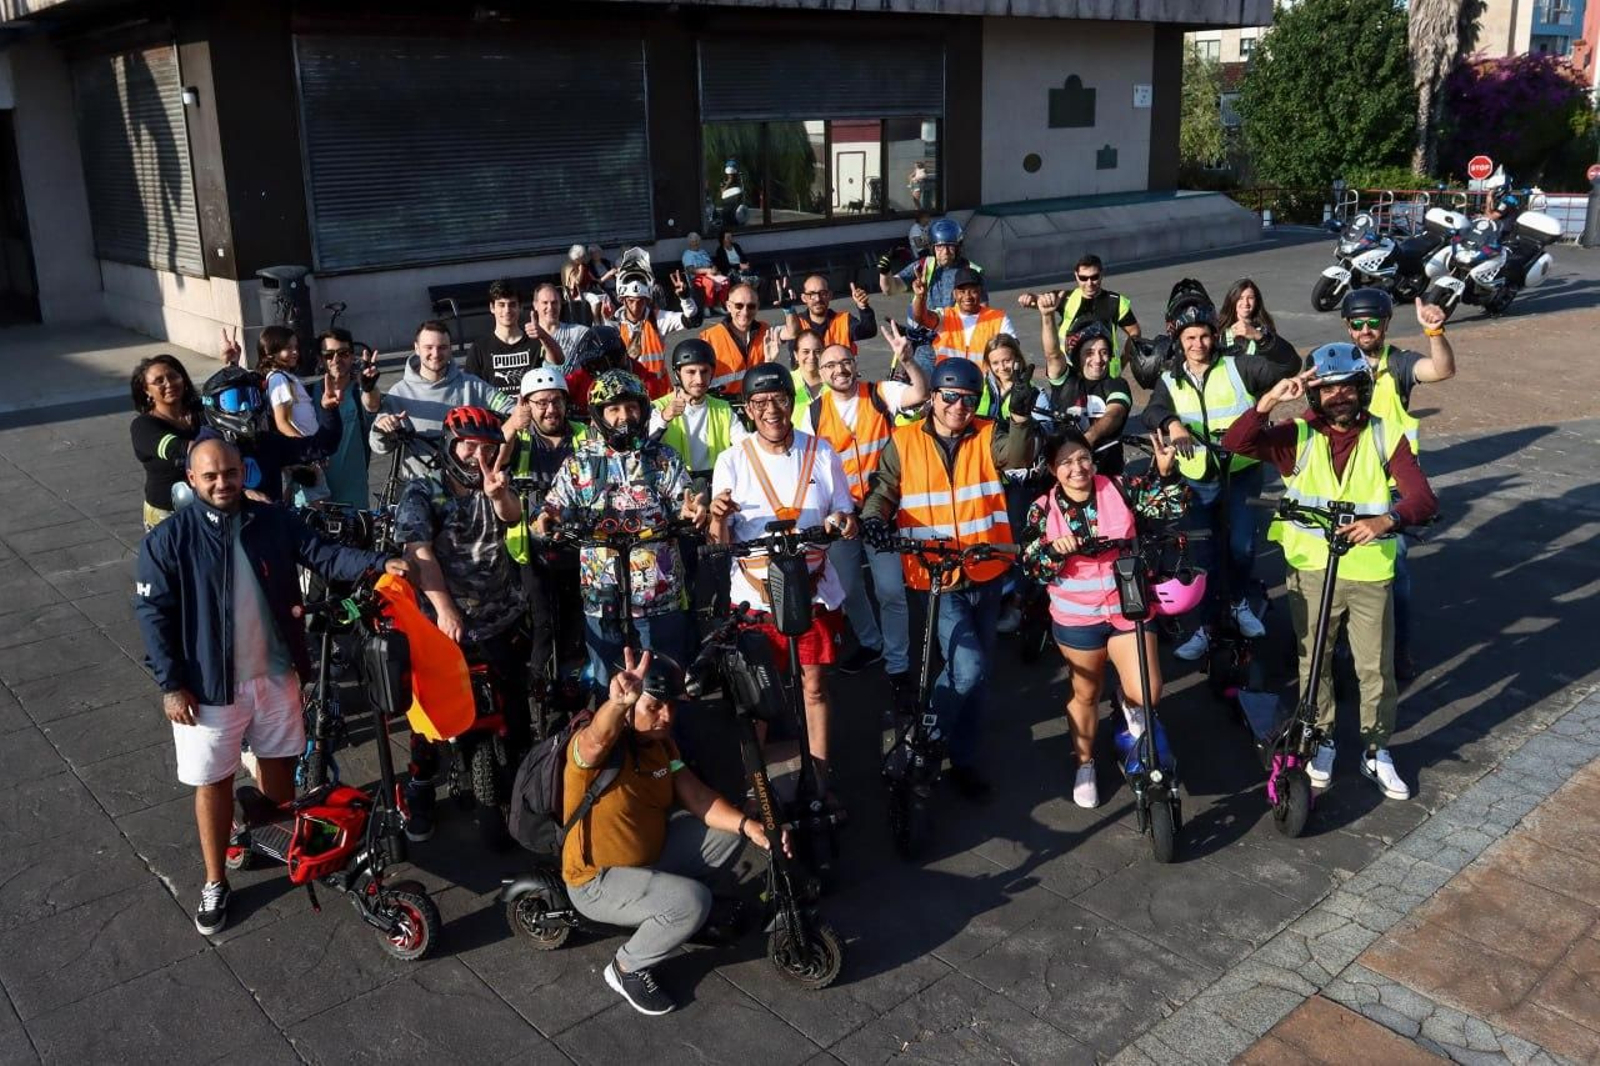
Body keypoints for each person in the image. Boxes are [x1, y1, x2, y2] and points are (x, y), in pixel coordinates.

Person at [134, 438, 405, 935]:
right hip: (207, 689)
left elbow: (322, 554)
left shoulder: (274, 521)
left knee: (279, 774)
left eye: (230, 473)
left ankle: (266, 839)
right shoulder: (168, 540)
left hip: (276, 675)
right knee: (213, 782)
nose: (222, 483)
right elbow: (153, 616)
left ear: (244, 473)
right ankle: (216, 881)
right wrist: (171, 685)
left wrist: (377, 564)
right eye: (211, 476)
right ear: (192, 480)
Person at [1222, 346, 1438, 801]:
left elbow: (1423, 499)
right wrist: (1267, 403)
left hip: (1368, 571)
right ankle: (1320, 741)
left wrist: (1386, 521)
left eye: (1347, 387)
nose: (1339, 396)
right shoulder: (1297, 433)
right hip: (1310, 570)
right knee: (1313, 662)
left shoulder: (1386, 434)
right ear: (1314, 394)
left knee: (1374, 667)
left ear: (1361, 389)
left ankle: (1376, 749)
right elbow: (1235, 444)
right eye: (1327, 388)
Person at [563, 647, 779, 1016]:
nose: (666, 716)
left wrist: (751, 826)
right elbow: (595, 740)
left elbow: (696, 796)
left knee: (730, 833)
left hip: (649, 857)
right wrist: (617, 704)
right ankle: (626, 967)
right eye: (653, 707)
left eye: (671, 706)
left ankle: (671, 908)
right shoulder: (594, 750)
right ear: (630, 709)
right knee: (692, 902)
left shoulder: (662, 744)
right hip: (595, 882)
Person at [860, 357, 1040, 799]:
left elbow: (1017, 454)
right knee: (968, 666)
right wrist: (874, 519)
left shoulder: (987, 433)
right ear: (934, 397)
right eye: (951, 396)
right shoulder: (903, 441)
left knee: (977, 677)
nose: (960, 406)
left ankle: (963, 759)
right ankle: (931, 734)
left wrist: (1018, 417)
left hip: (988, 569)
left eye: (969, 399)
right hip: (935, 575)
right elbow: (882, 490)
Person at [709, 363, 857, 792]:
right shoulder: (733, 459)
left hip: (812, 593)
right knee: (756, 698)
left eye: (779, 400)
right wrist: (718, 518)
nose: (771, 410)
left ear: (792, 403)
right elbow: (719, 545)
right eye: (760, 403)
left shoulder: (822, 452)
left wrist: (843, 521)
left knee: (814, 687)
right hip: (755, 599)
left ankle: (821, 778)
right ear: (748, 409)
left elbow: (845, 513)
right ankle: (758, 789)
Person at [1020, 430, 1187, 808]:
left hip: (1128, 606)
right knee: (1085, 695)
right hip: (1077, 617)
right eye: (1065, 462)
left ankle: (1127, 707)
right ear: (1051, 469)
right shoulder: (1042, 508)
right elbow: (1032, 567)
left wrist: (1166, 473)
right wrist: (1052, 551)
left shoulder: (1120, 486)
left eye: (1082, 458)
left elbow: (1171, 508)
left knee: (1148, 690)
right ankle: (1085, 763)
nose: (1076, 468)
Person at [393, 405, 529, 840]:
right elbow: (419, 552)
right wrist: (445, 608)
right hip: (442, 625)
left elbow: (513, 517)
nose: (477, 455)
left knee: (514, 709)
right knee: (431, 718)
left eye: (487, 448)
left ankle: (524, 783)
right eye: (469, 445)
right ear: (450, 445)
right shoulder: (423, 490)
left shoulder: (496, 483)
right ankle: (419, 786)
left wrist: (498, 494)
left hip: (500, 614)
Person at [1141, 298, 1293, 661]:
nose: (1198, 344)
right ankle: (1206, 627)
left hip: (1240, 471)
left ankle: (1240, 603)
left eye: (1205, 336)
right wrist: (1171, 423)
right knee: (1204, 556)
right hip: (1198, 480)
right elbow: (1153, 411)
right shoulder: (1170, 377)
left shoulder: (1238, 365)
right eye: (1190, 337)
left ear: (1215, 335)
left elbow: (1287, 366)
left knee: (1241, 547)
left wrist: (1263, 336)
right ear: (1179, 340)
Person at [536, 371, 708, 685]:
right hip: (602, 594)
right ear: (599, 415)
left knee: (665, 686)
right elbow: (553, 509)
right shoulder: (580, 463)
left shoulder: (663, 458)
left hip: (658, 594)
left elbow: (684, 501)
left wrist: (689, 511)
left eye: (631, 407)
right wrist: (549, 519)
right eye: (613, 409)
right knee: (608, 687)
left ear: (643, 410)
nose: (624, 416)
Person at [1329, 288, 1454, 681]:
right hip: (1345, 484)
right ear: (1348, 327)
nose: (1366, 330)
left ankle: (1398, 648)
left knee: (1393, 571)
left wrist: (1436, 334)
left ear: (1385, 324)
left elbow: (1441, 370)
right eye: (1358, 323)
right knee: (1338, 568)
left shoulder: (1398, 364)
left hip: (1390, 486)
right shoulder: (1336, 360)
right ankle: (1338, 646)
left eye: (1373, 323)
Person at [806, 323, 928, 691]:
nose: (839, 370)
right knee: (847, 586)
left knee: (890, 589)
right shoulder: (811, 414)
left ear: (855, 364)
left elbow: (920, 393)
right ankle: (871, 642)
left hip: (882, 510)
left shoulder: (879, 393)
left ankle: (897, 661)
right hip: (841, 515)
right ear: (820, 372)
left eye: (845, 362)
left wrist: (909, 362)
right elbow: (806, 466)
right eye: (830, 366)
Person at [504, 367, 590, 701]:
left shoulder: (583, 434)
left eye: (556, 401)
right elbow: (493, 466)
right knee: (543, 625)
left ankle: (576, 688)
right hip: (531, 548)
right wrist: (512, 425)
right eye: (540, 403)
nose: (550, 409)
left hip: (577, 544)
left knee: (576, 622)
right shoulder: (520, 437)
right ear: (526, 404)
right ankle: (537, 692)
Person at [370, 320, 515, 480]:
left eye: (442, 347)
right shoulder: (399, 393)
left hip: (467, 483)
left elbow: (509, 408)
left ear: (450, 349)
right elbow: (378, 446)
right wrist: (383, 428)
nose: (436, 354)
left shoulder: (472, 385)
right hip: (419, 485)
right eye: (429, 347)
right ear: (416, 348)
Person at [195, 366, 344, 505]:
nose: (246, 407)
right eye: (234, 400)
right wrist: (243, 495)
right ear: (212, 404)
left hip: (272, 528)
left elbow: (322, 446)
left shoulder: (265, 442)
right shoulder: (204, 449)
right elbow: (203, 494)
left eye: (251, 398)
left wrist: (329, 411)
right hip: (226, 530)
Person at [1037, 306, 1133, 475]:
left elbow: (1115, 414)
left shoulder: (1117, 384)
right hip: (1069, 475)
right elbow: (1052, 354)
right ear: (1077, 356)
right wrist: (1047, 316)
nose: (1097, 359)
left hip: (1108, 473)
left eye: (1103, 352)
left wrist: (1088, 437)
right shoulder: (1065, 380)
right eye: (1089, 352)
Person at [1018, 254, 1141, 377]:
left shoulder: (1116, 302)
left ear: (1102, 274)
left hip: (1103, 372)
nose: (1089, 283)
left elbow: (1134, 333)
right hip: (1070, 373)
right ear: (1076, 276)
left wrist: (1122, 362)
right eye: (1083, 278)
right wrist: (1029, 298)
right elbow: (1041, 300)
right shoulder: (1065, 297)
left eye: (1094, 277)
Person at [309, 329, 383, 507]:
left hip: (353, 501)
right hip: (314, 499)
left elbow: (372, 405)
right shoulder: (307, 394)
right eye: (328, 355)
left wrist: (368, 387)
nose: (336, 360)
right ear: (320, 359)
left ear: (352, 357)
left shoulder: (359, 393)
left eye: (343, 353)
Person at [130, 354, 204, 529]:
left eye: (173, 376)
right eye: (159, 381)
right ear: (146, 390)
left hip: (209, 506)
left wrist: (231, 364)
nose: (169, 384)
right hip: (168, 515)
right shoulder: (143, 426)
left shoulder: (200, 411)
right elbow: (176, 448)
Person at [651, 339, 736, 482]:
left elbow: (747, 446)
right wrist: (664, 417)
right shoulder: (659, 407)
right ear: (677, 373)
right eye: (691, 372)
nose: (699, 379)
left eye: (704, 372)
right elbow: (641, 445)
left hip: (717, 483)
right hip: (675, 485)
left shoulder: (723, 408)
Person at [611, 266, 699, 390]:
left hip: (659, 392)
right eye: (631, 301)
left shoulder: (657, 318)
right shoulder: (614, 323)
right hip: (629, 393)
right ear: (622, 300)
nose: (636, 307)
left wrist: (685, 298)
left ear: (647, 300)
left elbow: (692, 320)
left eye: (640, 301)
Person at [565, 324, 670, 421]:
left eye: (601, 364)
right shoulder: (581, 378)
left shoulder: (647, 382)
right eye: (594, 366)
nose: (601, 371)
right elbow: (556, 389)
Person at [878, 217, 985, 311]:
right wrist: (885, 273)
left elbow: (982, 310)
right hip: (925, 330)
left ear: (958, 247)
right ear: (932, 248)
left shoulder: (971, 271)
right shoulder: (923, 265)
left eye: (950, 246)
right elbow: (890, 290)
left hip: (955, 331)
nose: (945, 252)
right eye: (940, 247)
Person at [915, 267, 1015, 365]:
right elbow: (922, 318)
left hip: (982, 381)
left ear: (980, 292)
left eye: (973, 291)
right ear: (954, 294)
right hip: (946, 379)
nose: (967, 297)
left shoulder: (999, 319)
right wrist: (920, 297)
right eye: (962, 291)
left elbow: (1013, 350)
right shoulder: (945, 316)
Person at [465, 280, 544, 396]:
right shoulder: (479, 348)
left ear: (520, 307)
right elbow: (471, 389)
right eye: (501, 305)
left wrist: (544, 336)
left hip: (530, 411)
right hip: (494, 412)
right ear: (492, 308)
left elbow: (558, 363)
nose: (507, 310)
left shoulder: (536, 343)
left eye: (512, 304)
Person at [700, 282, 770, 397]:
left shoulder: (765, 330)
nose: (745, 312)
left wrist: (788, 310)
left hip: (757, 402)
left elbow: (791, 333)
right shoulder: (708, 337)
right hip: (722, 405)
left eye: (751, 306)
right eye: (739, 306)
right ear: (728, 306)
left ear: (758, 307)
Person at [780, 274, 878, 355]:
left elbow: (868, 331)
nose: (818, 299)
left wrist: (864, 308)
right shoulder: (796, 323)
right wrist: (788, 309)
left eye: (822, 293)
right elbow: (788, 333)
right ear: (804, 298)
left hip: (839, 377)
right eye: (811, 294)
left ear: (830, 295)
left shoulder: (844, 320)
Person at [1218, 278, 1299, 374]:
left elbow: (1289, 362)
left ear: (1256, 301)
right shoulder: (1219, 330)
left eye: (1250, 298)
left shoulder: (1265, 331)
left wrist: (1259, 337)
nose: (1246, 303)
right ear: (1232, 300)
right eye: (1240, 298)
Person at [523, 282, 595, 368]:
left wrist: (609, 320)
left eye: (554, 303)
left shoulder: (578, 333)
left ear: (560, 304)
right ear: (535, 305)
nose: (550, 307)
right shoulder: (525, 338)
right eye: (545, 303)